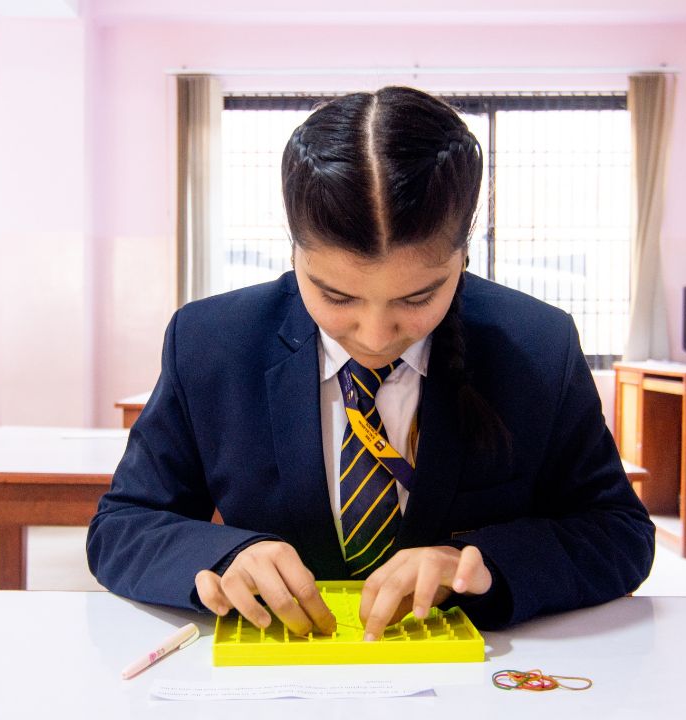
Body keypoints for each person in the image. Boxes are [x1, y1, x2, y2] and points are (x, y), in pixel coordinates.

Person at [87, 86, 654, 638]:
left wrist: (482, 564)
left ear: (463, 254)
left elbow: (618, 531)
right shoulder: (211, 342)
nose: (376, 335)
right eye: (336, 297)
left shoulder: (538, 344)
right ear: (294, 249)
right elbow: (123, 527)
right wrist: (227, 554)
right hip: (278, 671)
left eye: (418, 298)